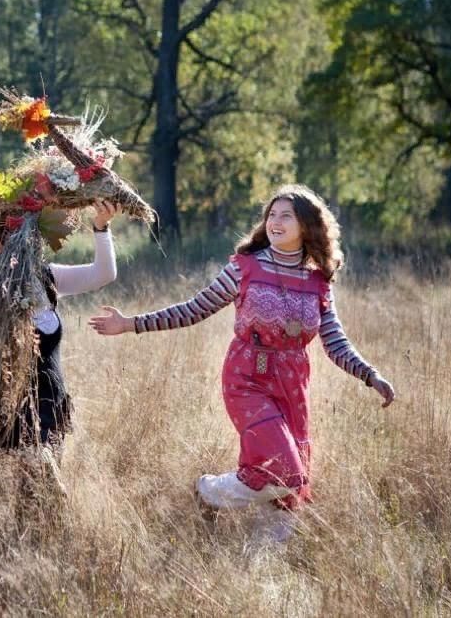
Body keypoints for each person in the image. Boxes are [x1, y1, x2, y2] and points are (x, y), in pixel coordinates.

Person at [89, 185, 395, 542]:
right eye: (271, 215)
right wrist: (130, 323)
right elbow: (194, 309)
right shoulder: (244, 268)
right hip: (247, 377)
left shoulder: (318, 281)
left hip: (293, 385)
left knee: (287, 490)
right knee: (283, 470)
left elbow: (336, 341)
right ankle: (209, 491)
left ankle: (263, 569)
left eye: (286, 216)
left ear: (308, 226)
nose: (275, 222)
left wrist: (370, 374)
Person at [0, 200, 121, 490]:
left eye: (28, 236)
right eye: (9, 236)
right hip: (6, 403)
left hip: (51, 401)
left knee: (44, 495)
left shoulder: (48, 276)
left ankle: (48, 532)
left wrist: (101, 227)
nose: (22, 245)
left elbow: (103, 274)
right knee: (13, 488)